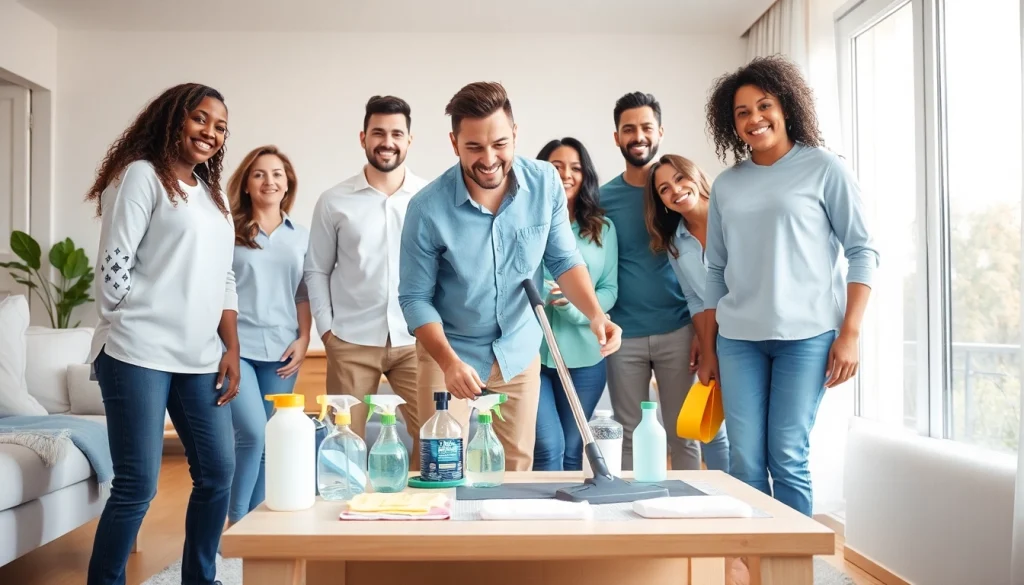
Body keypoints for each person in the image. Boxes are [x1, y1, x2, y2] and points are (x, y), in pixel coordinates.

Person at [398, 81, 622, 471]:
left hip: (519, 350)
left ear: (515, 135)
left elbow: (564, 259)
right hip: (450, 353)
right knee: (439, 465)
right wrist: (449, 362)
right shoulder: (426, 209)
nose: (489, 158)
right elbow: (415, 298)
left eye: (500, 144)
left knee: (516, 465)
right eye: (474, 147)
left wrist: (595, 315)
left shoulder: (545, 183)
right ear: (454, 143)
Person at [700, 55, 879, 516]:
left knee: (787, 455)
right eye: (742, 112)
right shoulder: (726, 185)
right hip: (739, 339)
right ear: (731, 123)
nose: (755, 119)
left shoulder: (824, 168)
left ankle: (792, 565)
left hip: (808, 337)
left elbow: (863, 251)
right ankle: (753, 562)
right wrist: (709, 345)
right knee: (745, 461)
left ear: (786, 107)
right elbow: (714, 269)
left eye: (764, 106)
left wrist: (850, 334)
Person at [83, 83, 239, 585]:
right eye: (200, 119)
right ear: (172, 118)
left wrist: (229, 346)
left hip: (198, 356)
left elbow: (225, 276)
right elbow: (114, 263)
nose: (210, 133)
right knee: (137, 485)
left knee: (217, 474)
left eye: (219, 127)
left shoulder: (213, 196)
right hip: (136, 352)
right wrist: (132, 316)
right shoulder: (140, 177)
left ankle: (200, 577)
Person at [304, 95, 428, 468]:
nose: (386, 141)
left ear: (409, 140)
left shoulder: (430, 197)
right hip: (351, 342)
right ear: (363, 138)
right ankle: (344, 520)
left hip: (416, 341)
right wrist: (328, 332)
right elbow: (316, 269)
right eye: (378, 132)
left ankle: (424, 516)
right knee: (345, 445)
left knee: (436, 434)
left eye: (396, 133)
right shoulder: (333, 200)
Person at [599, 92, 701, 471]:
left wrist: (703, 335)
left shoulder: (677, 192)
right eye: (629, 129)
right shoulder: (602, 198)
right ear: (617, 137)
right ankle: (627, 517)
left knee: (683, 433)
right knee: (627, 433)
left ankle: (695, 519)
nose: (638, 136)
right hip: (624, 336)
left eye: (646, 127)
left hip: (679, 332)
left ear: (660, 131)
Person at [225, 145, 310, 526]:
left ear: (287, 183)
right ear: (246, 184)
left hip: (282, 351)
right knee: (252, 437)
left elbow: (304, 292)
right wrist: (226, 345)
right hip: (235, 348)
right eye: (259, 174)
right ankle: (235, 523)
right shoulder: (227, 231)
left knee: (268, 443)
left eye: (277, 174)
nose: (269, 181)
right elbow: (217, 289)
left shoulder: (302, 236)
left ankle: (255, 526)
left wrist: (305, 338)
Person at [532, 138, 618, 472]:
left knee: (572, 448)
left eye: (576, 168)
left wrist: (575, 306)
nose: (566, 175)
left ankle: (564, 520)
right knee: (546, 445)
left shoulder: (603, 228)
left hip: (585, 356)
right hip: (531, 356)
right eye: (556, 167)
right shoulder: (526, 224)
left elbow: (610, 290)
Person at [643, 153, 729, 473]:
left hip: (749, 333)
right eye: (664, 189)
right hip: (717, 339)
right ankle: (720, 502)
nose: (675, 190)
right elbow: (694, 298)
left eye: (680, 179)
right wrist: (708, 350)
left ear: (695, 175)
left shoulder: (731, 216)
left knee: (745, 430)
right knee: (712, 425)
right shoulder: (675, 242)